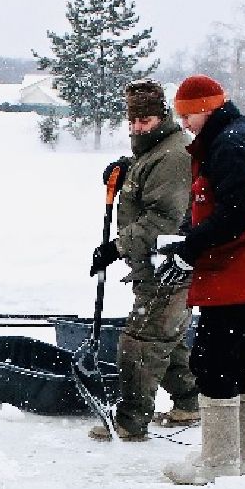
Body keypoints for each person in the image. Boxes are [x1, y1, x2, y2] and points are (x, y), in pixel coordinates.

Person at [153, 75, 245, 484]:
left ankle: (217, 466)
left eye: (187, 116)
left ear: (206, 108)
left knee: (213, 365)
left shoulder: (230, 143)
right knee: (239, 365)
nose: (184, 125)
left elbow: (236, 212)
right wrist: (189, 236)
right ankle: (238, 462)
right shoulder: (233, 136)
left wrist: (190, 245)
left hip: (238, 274)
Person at [85, 80, 200, 441]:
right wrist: (128, 168)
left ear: (163, 116)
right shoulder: (155, 149)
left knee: (141, 343)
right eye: (133, 121)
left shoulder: (172, 156)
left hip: (169, 265)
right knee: (167, 339)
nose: (137, 127)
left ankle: (130, 423)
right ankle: (189, 404)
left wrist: (117, 247)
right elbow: (148, 184)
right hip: (156, 265)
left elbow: (163, 219)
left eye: (145, 120)